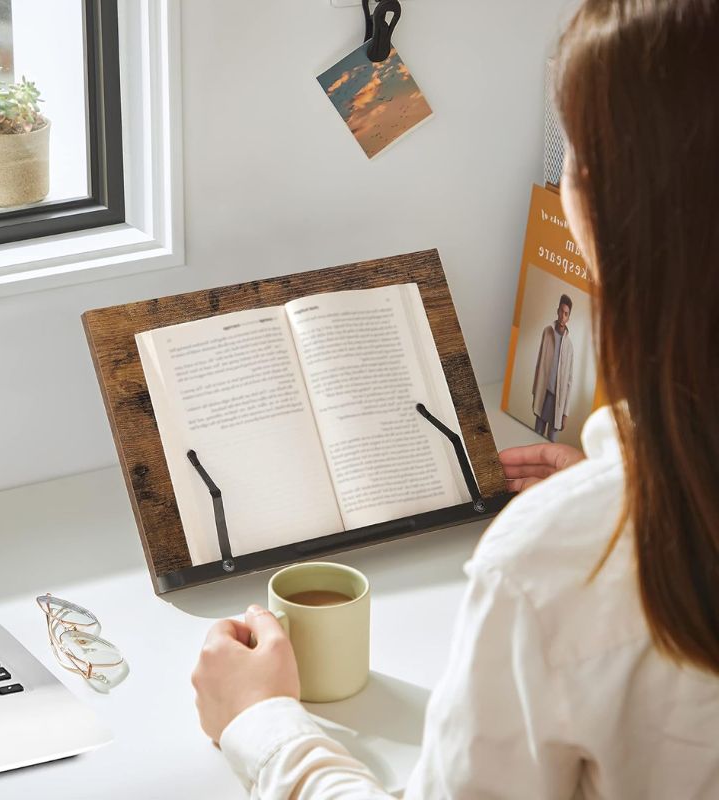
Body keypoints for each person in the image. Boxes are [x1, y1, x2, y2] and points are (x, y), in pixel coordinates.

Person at [191, 0, 719, 796]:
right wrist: (610, 479)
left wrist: (259, 725)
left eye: (572, 154)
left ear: (603, 208)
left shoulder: (559, 565)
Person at [532, 294, 574, 441]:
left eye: (566, 314)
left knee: (551, 440)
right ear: (557, 311)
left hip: (558, 402)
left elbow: (569, 382)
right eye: (561, 312)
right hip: (543, 394)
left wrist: (565, 413)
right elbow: (539, 363)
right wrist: (534, 391)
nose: (563, 316)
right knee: (536, 434)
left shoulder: (569, 347)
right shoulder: (547, 332)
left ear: (568, 317)